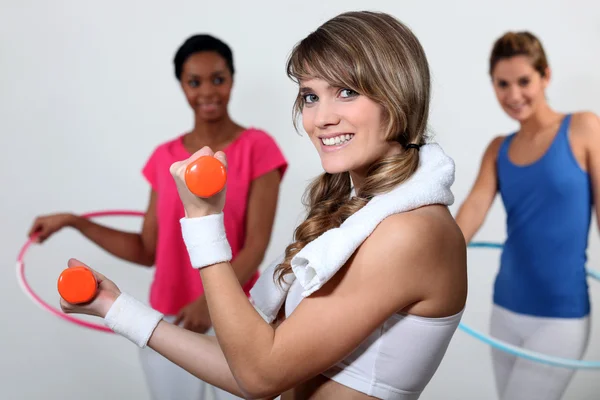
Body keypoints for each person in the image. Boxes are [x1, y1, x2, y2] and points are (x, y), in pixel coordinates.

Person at [59, 11, 467, 400]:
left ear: (397, 95)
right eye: (310, 96)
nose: (321, 117)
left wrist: (204, 221)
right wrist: (114, 307)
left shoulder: (411, 231)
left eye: (347, 92)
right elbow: (248, 369)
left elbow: (259, 376)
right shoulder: (360, 219)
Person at [30, 34, 288, 400]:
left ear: (232, 79)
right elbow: (147, 249)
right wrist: (75, 221)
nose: (207, 92)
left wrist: (207, 304)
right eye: (194, 82)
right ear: (182, 86)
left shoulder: (258, 148)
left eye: (218, 79)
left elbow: (257, 245)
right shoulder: (164, 157)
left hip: (239, 314)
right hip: (170, 318)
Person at [455, 31, 600, 400]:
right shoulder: (498, 149)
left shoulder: (584, 127)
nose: (514, 95)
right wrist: (435, 259)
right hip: (504, 307)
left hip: (560, 316)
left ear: (545, 76)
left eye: (524, 81)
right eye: (502, 84)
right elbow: (471, 212)